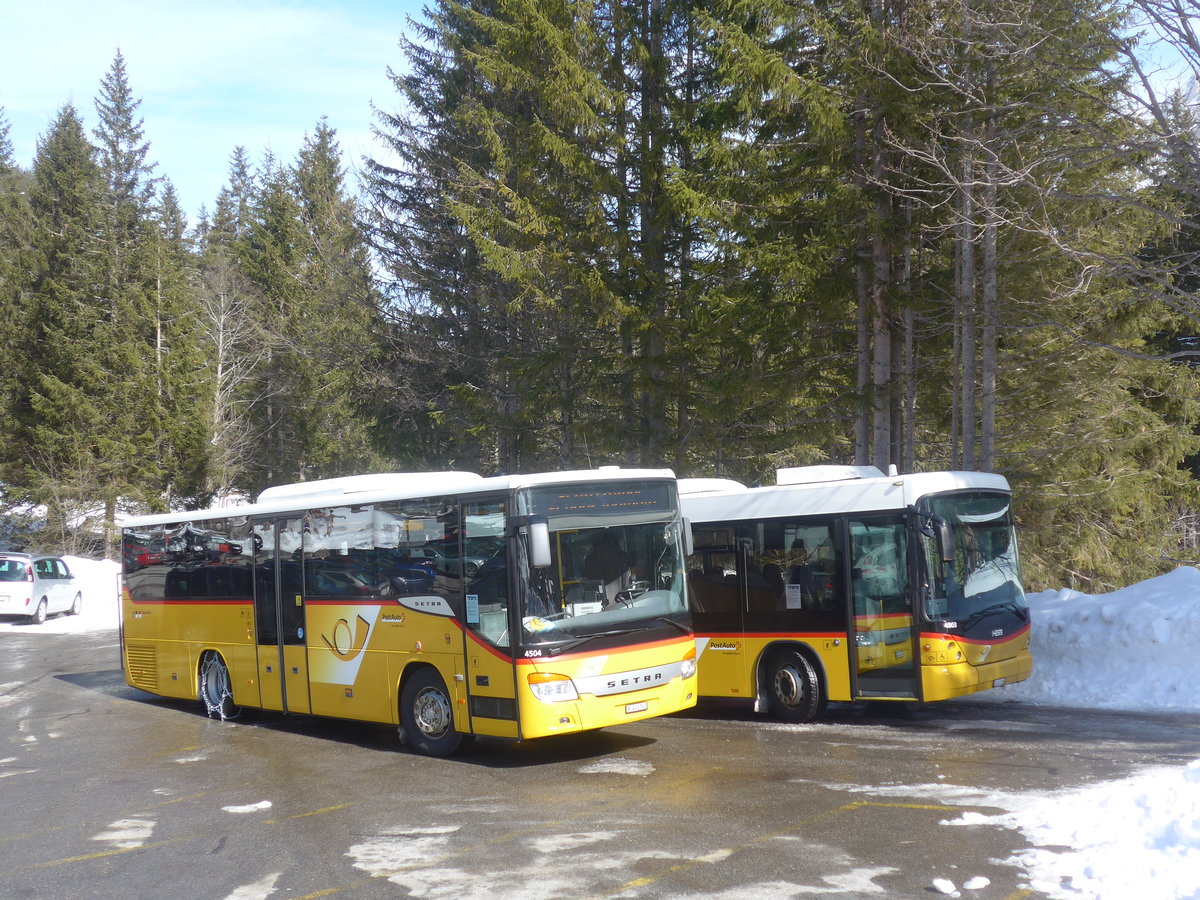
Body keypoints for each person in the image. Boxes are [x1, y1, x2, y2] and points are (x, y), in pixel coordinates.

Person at [583, 531, 632, 603]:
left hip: (600, 603)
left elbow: (587, 579)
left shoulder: (591, 559)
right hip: (623, 603)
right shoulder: (623, 557)